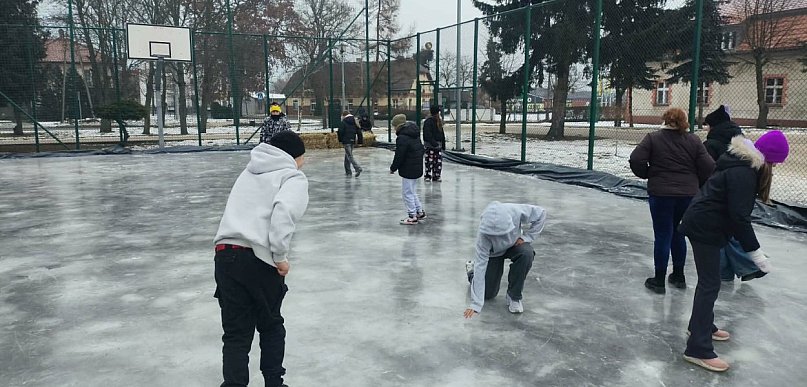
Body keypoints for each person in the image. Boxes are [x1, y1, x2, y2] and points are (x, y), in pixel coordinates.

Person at [678, 130, 789, 372]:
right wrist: (756, 253)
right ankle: (698, 348)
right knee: (710, 284)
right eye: (775, 163)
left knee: (710, 282)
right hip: (705, 227)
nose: (774, 169)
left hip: (706, 224)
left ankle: (700, 327)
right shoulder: (744, 173)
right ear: (768, 159)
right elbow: (740, 218)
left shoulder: (741, 164)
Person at [212, 130, 309, 387]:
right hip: (257, 259)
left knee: (235, 333)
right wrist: (280, 257)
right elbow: (283, 214)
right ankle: (274, 383)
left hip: (225, 255)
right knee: (271, 324)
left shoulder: (248, 172)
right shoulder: (292, 176)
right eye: (302, 157)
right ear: (294, 157)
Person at [629, 108, 715, 294]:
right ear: (684, 121)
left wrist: (648, 173)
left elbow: (636, 159)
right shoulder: (693, 140)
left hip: (661, 194)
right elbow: (709, 166)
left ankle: (658, 280)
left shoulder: (653, 138)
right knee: (679, 233)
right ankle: (678, 275)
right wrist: (696, 182)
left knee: (662, 234)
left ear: (665, 120)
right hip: (687, 196)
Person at [703, 105, 766, 282]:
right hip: (737, 193)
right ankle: (736, 269)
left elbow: (706, 170)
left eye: (708, 125)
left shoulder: (711, 144)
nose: (706, 129)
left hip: (716, 193)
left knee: (720, 235)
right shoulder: (740, 140)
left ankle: (742, 267)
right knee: (729, 232)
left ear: (714, 125)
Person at [463, 201, 547, 318]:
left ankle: (514, 297)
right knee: (488, 294)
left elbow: (541, 213)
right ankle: (471, 272)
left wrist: (527, 237)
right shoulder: (482, 238)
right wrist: (476, 304)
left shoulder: (516, 211)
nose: (497, 238)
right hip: (494, 254)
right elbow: (481, 267)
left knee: (526, 253)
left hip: (515, 245)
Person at [389, 114, 426, 225]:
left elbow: (399, 155)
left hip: (408, 168)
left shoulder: (402, 138)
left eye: (394, 126)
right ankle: (419, 211)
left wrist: (393, 168)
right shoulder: (414, 134)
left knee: (407, 193)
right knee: (412, 191)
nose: (394, 129)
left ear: (398, 126)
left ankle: (412, 216)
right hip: (416, 167)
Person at [422, 105, 446, 182]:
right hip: (430, 146)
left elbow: (442, 134)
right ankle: (429, 175)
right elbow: (427, 134)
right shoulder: (429, 122)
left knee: (437, 161)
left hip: (437, 145)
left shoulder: (438, 122)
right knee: (430, 161)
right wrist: (435, 143)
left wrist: (442, 145)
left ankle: (436, 175)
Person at [338, 111, 363, 177]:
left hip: (346, 141)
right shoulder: (355, 121)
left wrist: (340, 140)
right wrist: (360, 141)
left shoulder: (343, 122)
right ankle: (348, 171)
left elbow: (340, 131)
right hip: (352, 140)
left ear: (344, 115)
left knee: (349, 156)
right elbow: (359, 132)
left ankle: (357, 168)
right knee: (347, 156)